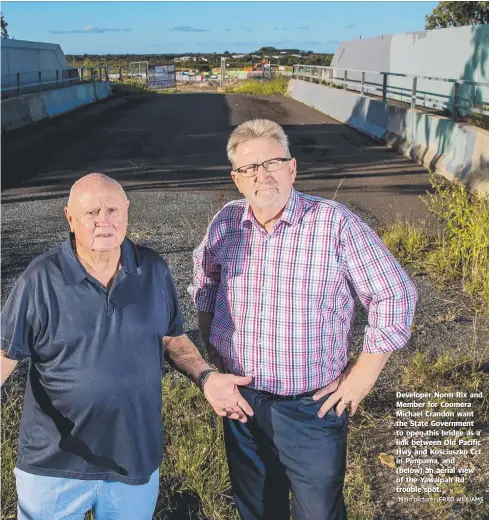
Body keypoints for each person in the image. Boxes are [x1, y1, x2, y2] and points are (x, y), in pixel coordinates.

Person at [191, 119, 419, 520]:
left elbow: (395, 294)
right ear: (237, 179)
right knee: (258, 509)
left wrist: (362, 377)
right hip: (241, 401)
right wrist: (213, 345)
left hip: (311, 408)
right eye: (250, 168)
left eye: (273, 163)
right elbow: (205, 278)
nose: (263, 175)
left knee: (318, 512)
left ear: (292, 168)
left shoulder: (334, 223)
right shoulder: (227, 222)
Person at [0, 173, 253, 520]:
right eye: (91, 213)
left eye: (112, 209)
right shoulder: (40, 278)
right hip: (54, 466)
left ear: (127, 212)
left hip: (133, 458)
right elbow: (5, 352)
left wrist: (206, 377)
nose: (104, 220)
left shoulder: (153, 269)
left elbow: (172, 337)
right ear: (70, 219)